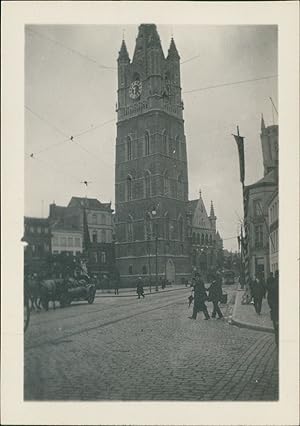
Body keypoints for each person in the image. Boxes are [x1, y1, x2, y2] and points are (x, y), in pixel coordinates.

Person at [267, 270, 279, 346]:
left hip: (275, 310)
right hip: (277, 309)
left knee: (277, 327)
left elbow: (269, 298)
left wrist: (272, 307)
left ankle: (278, 341)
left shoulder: (273, 284)